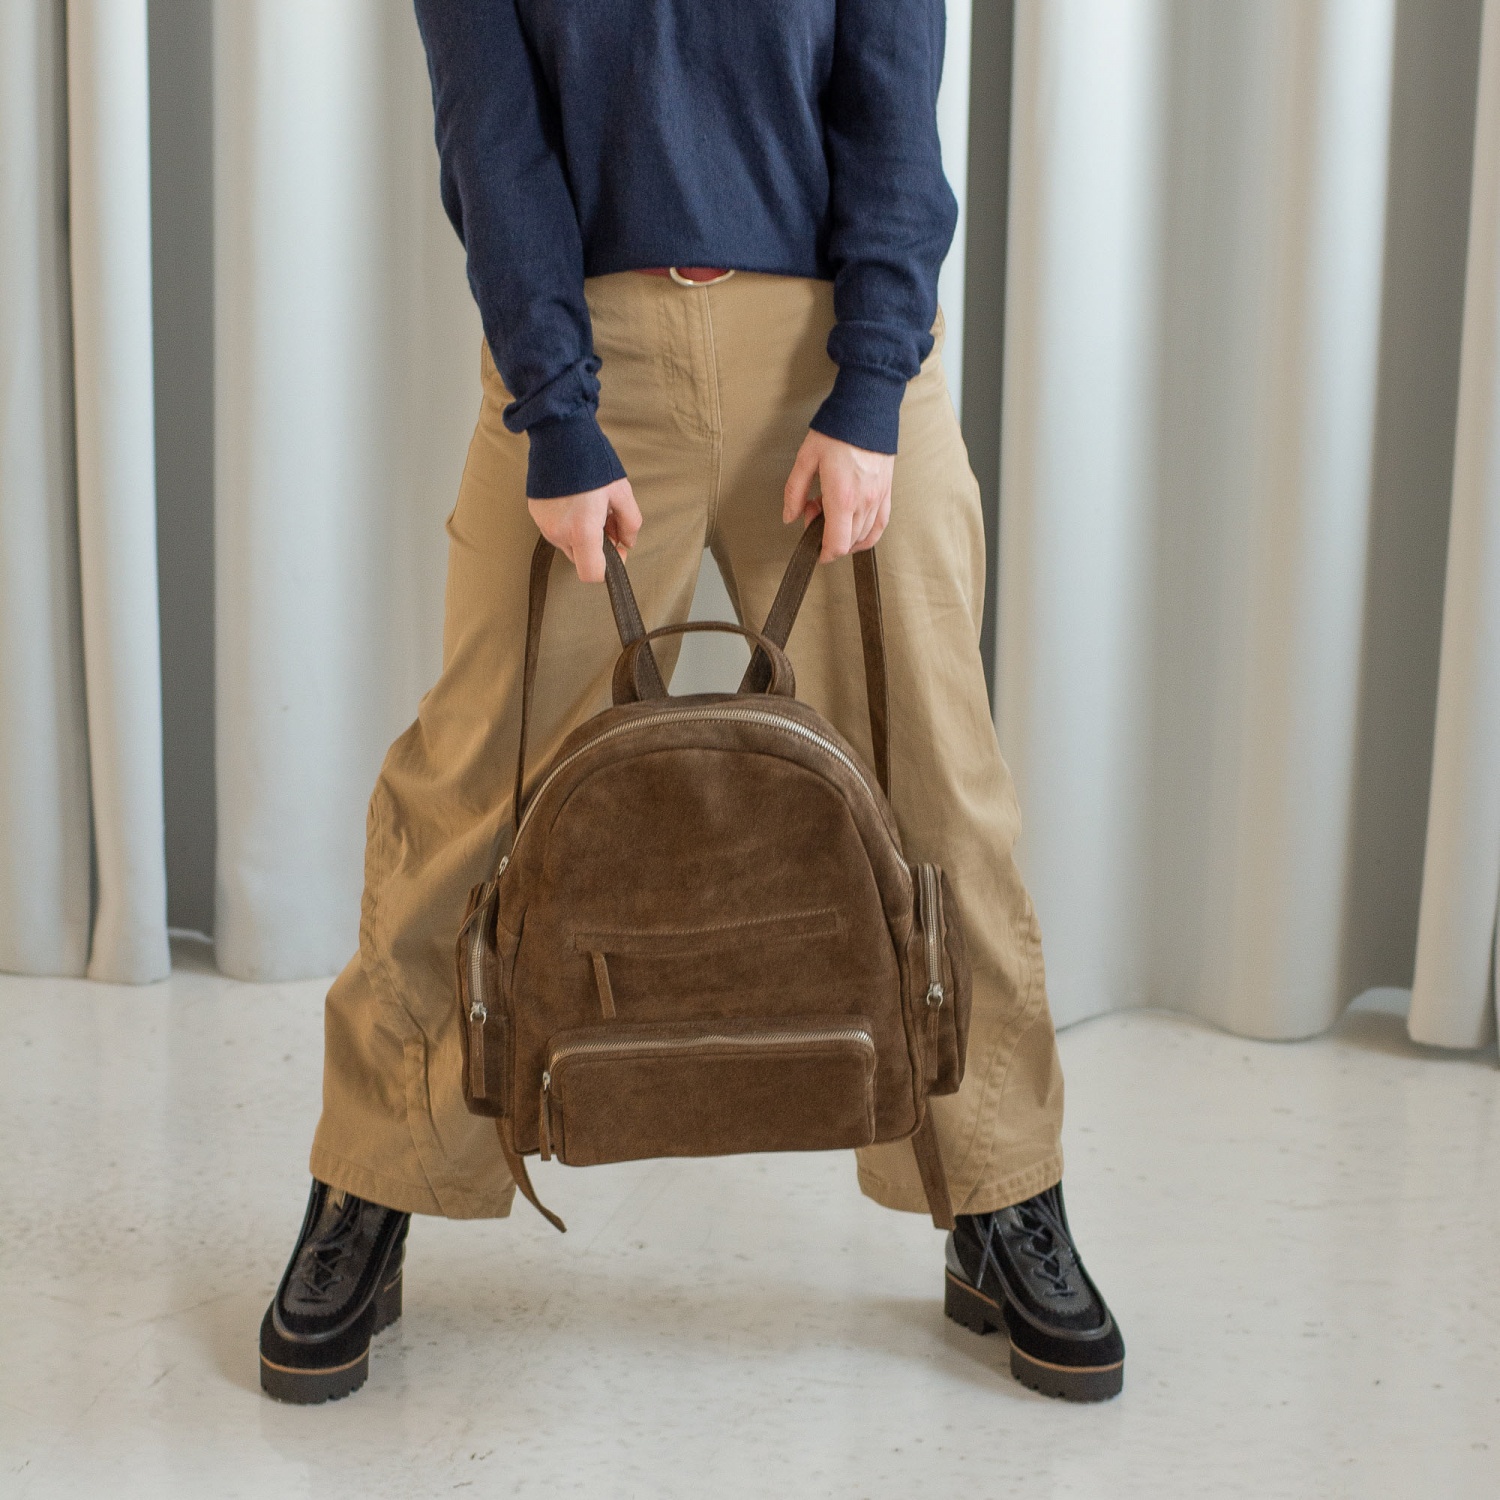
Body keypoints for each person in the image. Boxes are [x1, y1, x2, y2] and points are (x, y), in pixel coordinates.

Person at [258, 0, 1124, 1407]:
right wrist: (556, 410)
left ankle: (1000, 1192)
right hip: (587, 356)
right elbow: (493, 137)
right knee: (474, 790)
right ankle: (373, 1177)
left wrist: (872, 386)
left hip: (838, 349)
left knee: (937, 789)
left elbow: (892, 106)